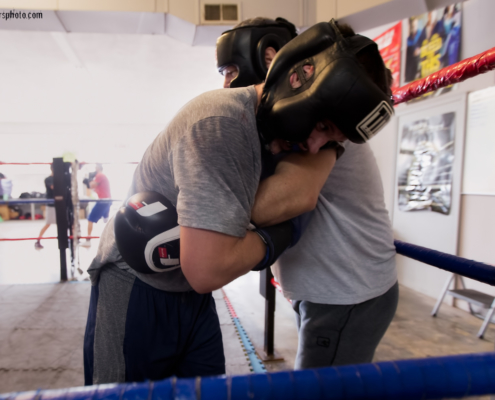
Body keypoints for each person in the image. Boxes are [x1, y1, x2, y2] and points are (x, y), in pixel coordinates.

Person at [84, 19, 394, 385]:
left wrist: (223, 228)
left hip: (192, 294)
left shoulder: (288, 135)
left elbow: (284, 203)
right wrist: (273, 235)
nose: (316, 147)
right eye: (322, 127)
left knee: (207, 393)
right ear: (298, 75)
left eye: (331, 136)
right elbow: (209, 266)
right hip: (138, 284)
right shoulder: (221, 123)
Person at [217, 18, 398, 369]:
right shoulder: (297, 117)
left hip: (349, 293)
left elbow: (286, 200)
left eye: (230, 70)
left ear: (269, 56)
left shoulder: (325, 118)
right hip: (333, 291)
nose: (226, 84)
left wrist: (205, 204)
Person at [80, 164, 111, 248]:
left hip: (103, 201)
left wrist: (87, 181)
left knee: (90, 219)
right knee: (106, 221)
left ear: (97, 168)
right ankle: (110, 240)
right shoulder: (100, 177)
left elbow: (91, 185)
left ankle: (88, 241)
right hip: (107, 201)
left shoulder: (99, 175)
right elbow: (92, 187)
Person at [35, 165, 55, 250]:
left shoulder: (60, 178)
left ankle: (72, 239)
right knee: (48, 223)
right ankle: (38, 240)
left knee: (66, 223)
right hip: (51, 204)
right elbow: (53, 187)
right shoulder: (48, 179)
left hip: (60, 204)